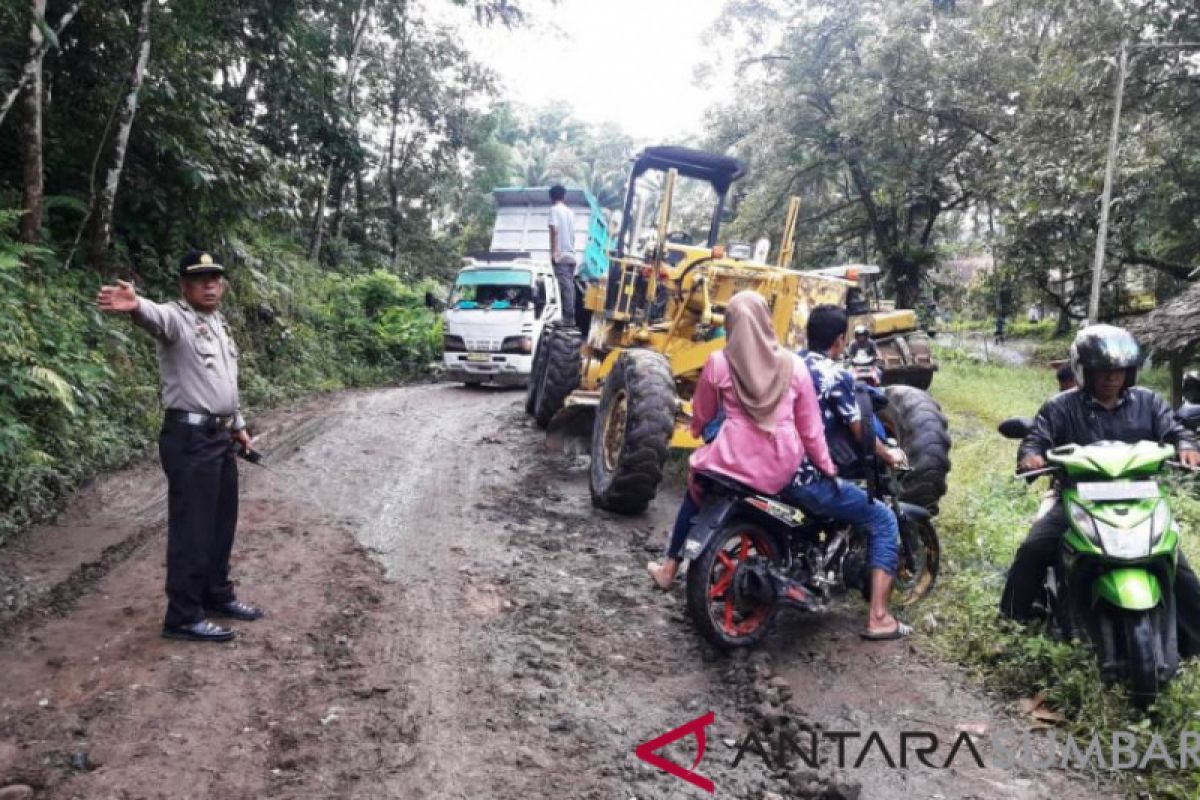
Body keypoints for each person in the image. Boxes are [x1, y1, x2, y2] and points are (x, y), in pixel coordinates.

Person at [96, 251, 264, 643]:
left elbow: (222, 384)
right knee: (193, 528)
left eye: (215, 278)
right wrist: (136, 305)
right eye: (200, 278)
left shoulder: (218, 324)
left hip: (218, 436)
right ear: (184, 286)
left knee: (221, 522)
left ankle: (215, 595)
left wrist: (237, 426)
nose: (209, 284)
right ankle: (183, 616)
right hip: (188, 440)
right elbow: (154, 316)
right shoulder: (176, 319)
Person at [1001, 325, 1200, 650]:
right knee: (1034, 549)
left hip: (1140, 498)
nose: (1111, 378)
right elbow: (1037, 437)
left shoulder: (1148, 402)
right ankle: (1010, 624)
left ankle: (1194, 641)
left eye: (1118, 370)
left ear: (1129, 371)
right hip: (1076, 497)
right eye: (1102, 371)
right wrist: (1031, 456)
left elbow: (1174, 429)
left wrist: (1186, 445)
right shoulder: (1060, 406)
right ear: (1085, 371)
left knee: (1177, 565)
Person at [646, 292, 836, 599]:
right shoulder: (795, 367)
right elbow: (811, 430)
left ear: (731, 324)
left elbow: (703, 413)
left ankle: (669, 568)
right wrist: (827, 467)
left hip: (730, 458)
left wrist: (697, 431)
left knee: (696, 489)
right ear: (766, 322)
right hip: (779, 464)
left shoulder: (719, 362)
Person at [783, 305, 911, 640]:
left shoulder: (788, 364)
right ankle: (879, 618)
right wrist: (890, 455)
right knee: (883, 519)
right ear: (841, 340)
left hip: (771, 469)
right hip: (806, 478)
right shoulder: (835, 374)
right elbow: (860, 431)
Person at [547, 185, 577, 328]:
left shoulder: (554, 210)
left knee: (563, 287)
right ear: (564, 197)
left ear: (551, 198)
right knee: (569, 286)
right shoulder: (570, 212)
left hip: (561, 255)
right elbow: (572, 234)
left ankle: (567, 318)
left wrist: (554, 252)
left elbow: (554, 230)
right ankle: (569, 316)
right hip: (571, 254)